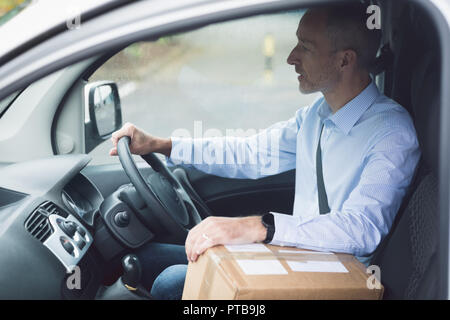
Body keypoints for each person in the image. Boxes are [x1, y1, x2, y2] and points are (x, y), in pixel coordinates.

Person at [109, 4, 420, 299]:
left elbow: (362, 229)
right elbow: (250, 152)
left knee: (170, 283)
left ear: (344, 60)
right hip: (298, 256)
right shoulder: (317, 116)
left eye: (305, 47)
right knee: (148, 259)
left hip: (336, 278)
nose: (290, 57)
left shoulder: (392, 133)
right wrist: (163, 145)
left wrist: (258, 226)